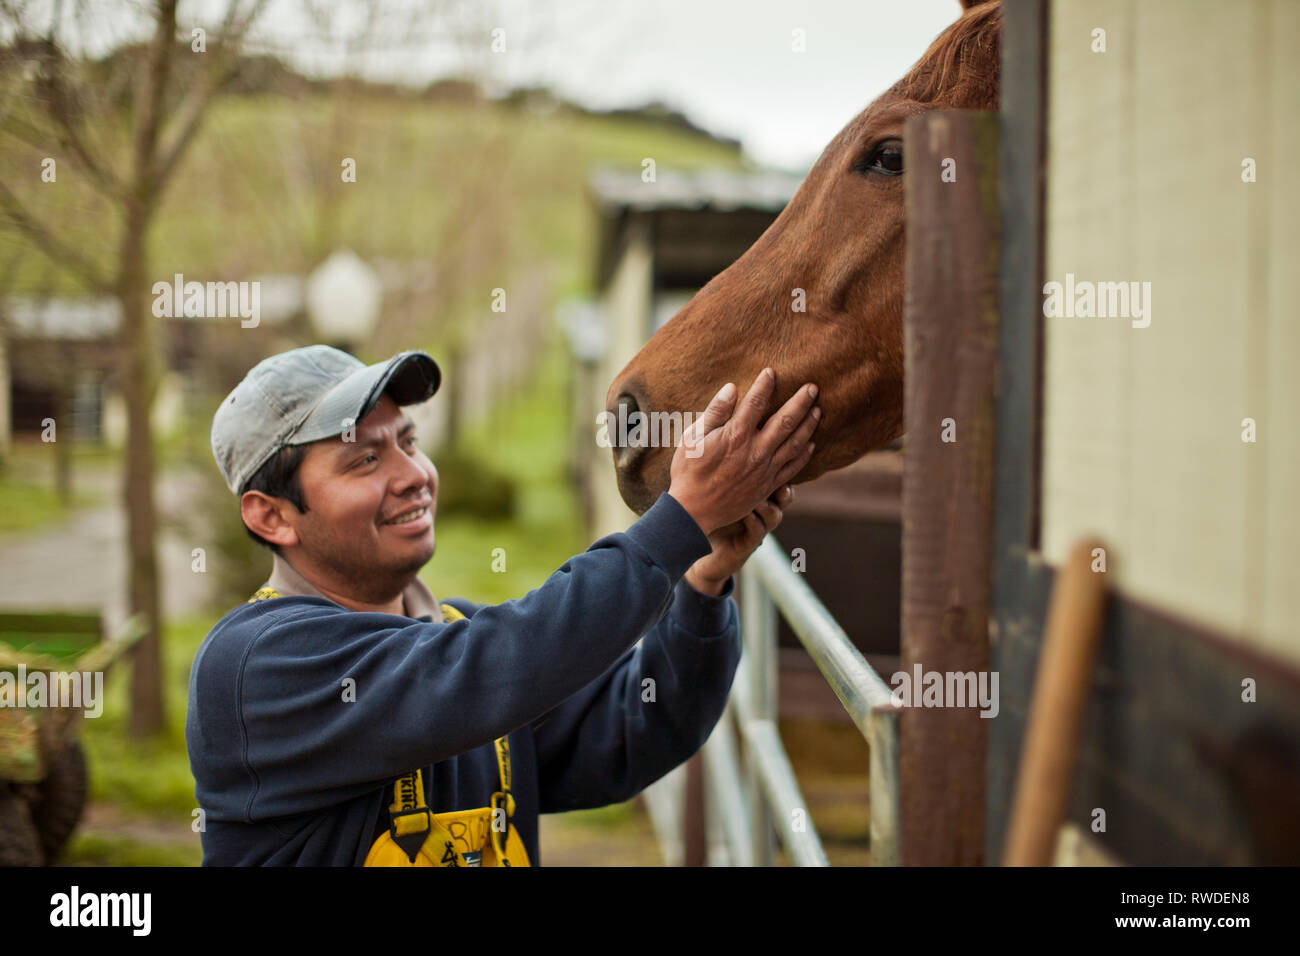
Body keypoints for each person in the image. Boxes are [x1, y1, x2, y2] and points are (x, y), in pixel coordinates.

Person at [186, 344, 820, 865]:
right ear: (270, 516)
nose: (413, 474)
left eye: (408, 442)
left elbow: (639, 728)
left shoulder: (454, 643)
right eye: (364, 460)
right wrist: (677, 522)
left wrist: (701, 584)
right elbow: (498, 662)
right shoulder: (254, 667)